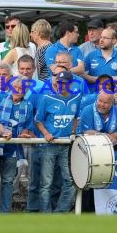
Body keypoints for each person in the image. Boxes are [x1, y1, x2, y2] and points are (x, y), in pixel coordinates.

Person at [35, 69, 81, 213]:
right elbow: (38, 120)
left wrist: (73, 131)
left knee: (69, 181)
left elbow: (76, 118)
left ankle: (60, 213)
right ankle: (45, 215)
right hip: (49, 145)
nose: (61, 86)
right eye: (59, 83)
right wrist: (46, 133)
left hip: (66, 146)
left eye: (64, 83)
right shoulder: (47, 98)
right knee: (46, 183)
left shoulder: (76, 98)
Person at [0, 77, 35, 213]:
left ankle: (4, 213)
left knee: (8, 181)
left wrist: (23, 134)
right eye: (15, 88)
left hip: (12, 149)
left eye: (21, 89)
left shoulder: (28, 105)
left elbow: (27, 127)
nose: (17, 91)